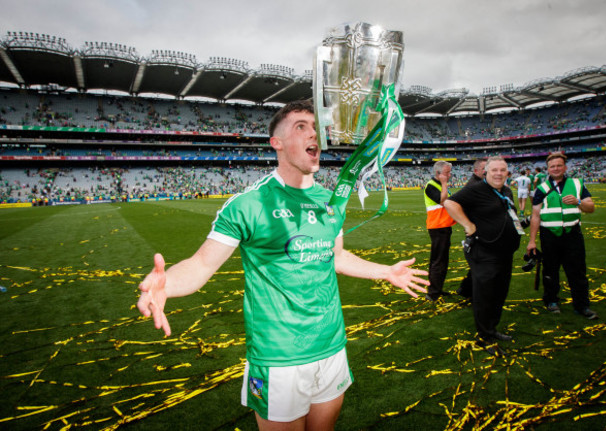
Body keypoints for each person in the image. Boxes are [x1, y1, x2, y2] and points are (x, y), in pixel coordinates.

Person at [136, 100, 429, 430]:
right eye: (301, 126)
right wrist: (168, 285)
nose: (313, 133)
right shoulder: (249, 205)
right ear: (276, 142)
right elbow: (201, 265)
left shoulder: (330, 202)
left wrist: (386, 271)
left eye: (317, 128)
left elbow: (336, 257)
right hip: (278, 358)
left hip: (331, 346)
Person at [444, 156, 522, 352]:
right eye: (494, 170)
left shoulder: (506, 190)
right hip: (484, 252)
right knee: (485, 295)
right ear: (485, 172)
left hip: (504, 251)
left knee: (499, 292)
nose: (498, 173)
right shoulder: (476, 189)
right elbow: (449, 203)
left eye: (502, 170)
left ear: (507, 173)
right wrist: (468, 225)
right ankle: (484, 337)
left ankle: (491, 328)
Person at [526, 152, 597, 319]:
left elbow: (591, 207)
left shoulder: (577, 184)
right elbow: (535, 216)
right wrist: (531, 241)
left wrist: (578, 202)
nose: (556, 169)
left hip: (572, 234)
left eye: (559, 165)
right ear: (548, 169)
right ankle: (551, 300)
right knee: (550, 270)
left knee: (578, 271)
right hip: (549, 235)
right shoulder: (541, 189)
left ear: (565, 167)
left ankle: (582, 305)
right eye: (552, 166)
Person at [424, 160, 455, 301]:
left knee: (441, 260)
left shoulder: (437, 185)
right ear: (438, 173)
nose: (449, 175)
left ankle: (437, 289)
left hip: (443, 226)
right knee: (438, 261)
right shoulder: (430, 186)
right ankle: (433, 293)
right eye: (447, 172)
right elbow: (442, 201)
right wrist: (444, 183)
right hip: (437, 227)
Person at [456, 158, 486, 299]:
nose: (487, 171)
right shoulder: (474, 186)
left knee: (479, 263)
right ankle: (471, 292)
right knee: (479, 263)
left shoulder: (481, 183)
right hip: (477, 231)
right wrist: (468, 224)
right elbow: (453, 204)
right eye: (484, 169)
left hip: (480, 229)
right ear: (476, 171)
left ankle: (466, 289)